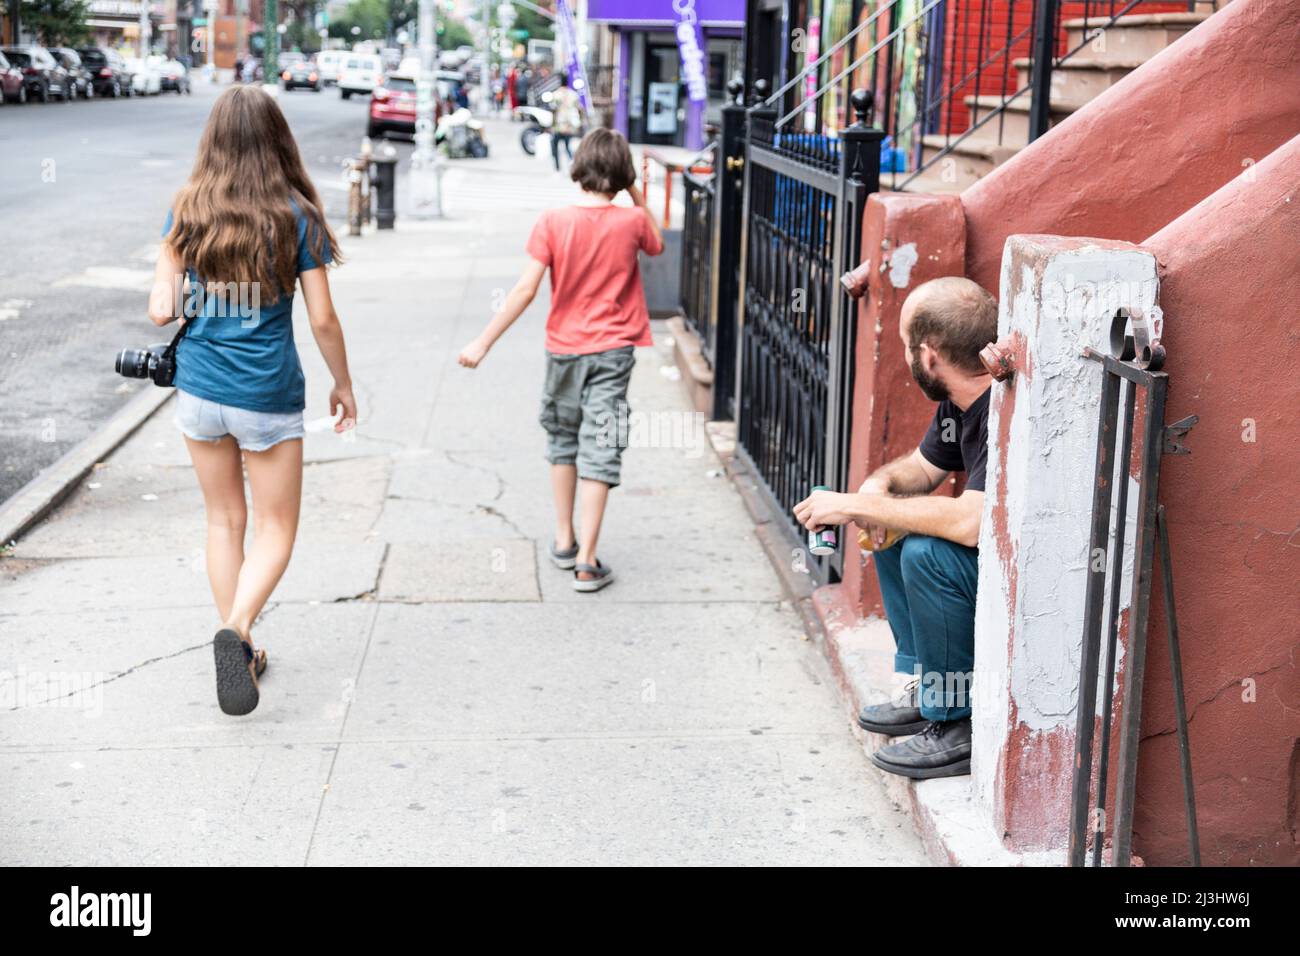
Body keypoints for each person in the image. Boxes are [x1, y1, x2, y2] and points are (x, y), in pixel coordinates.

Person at [147, 86, 357, 716]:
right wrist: (343, 384)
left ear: (212, 140)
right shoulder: (296, 214)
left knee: (222, 522)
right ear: (277, 140)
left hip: (200, 392)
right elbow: (322, 319)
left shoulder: (187, 210)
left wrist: (181, 284)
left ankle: (239, 642)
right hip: (266, 392)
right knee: (277, 528)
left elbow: (162, 308)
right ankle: (236, 633)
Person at [794, 276, 996, 779]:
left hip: (1039, 590)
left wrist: (864, 507)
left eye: (907, 345)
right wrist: (872, 495)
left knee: (925, 552)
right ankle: (930, 687)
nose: (906, 357)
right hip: (992, 566)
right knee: (892, 517)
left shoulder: (1004, 409)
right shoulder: (961, 398)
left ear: (928, 356)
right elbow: (922, 471)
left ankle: (957, 724)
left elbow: (973, 522)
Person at [457, 129, 663, 592]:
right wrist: (632, 187)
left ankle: (564, 537)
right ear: (622, 173)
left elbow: (525, 289)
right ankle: (587, 562)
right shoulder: (630, 223)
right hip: (612, 351)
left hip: (564, 350)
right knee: (600, 446)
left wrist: (483, 343)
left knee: (563, 438)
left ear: (580, 166)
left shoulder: (552, 220)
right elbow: (656, 242)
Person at [549, 73, 582, 171]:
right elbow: (579, 109)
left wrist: (551, 125)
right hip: (569, 126)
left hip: (558, 125)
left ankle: (557, 168)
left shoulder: (555, 94)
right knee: (568, 147)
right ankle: (572, 167)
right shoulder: (573, 95)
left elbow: (552, 110)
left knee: (555, 147)